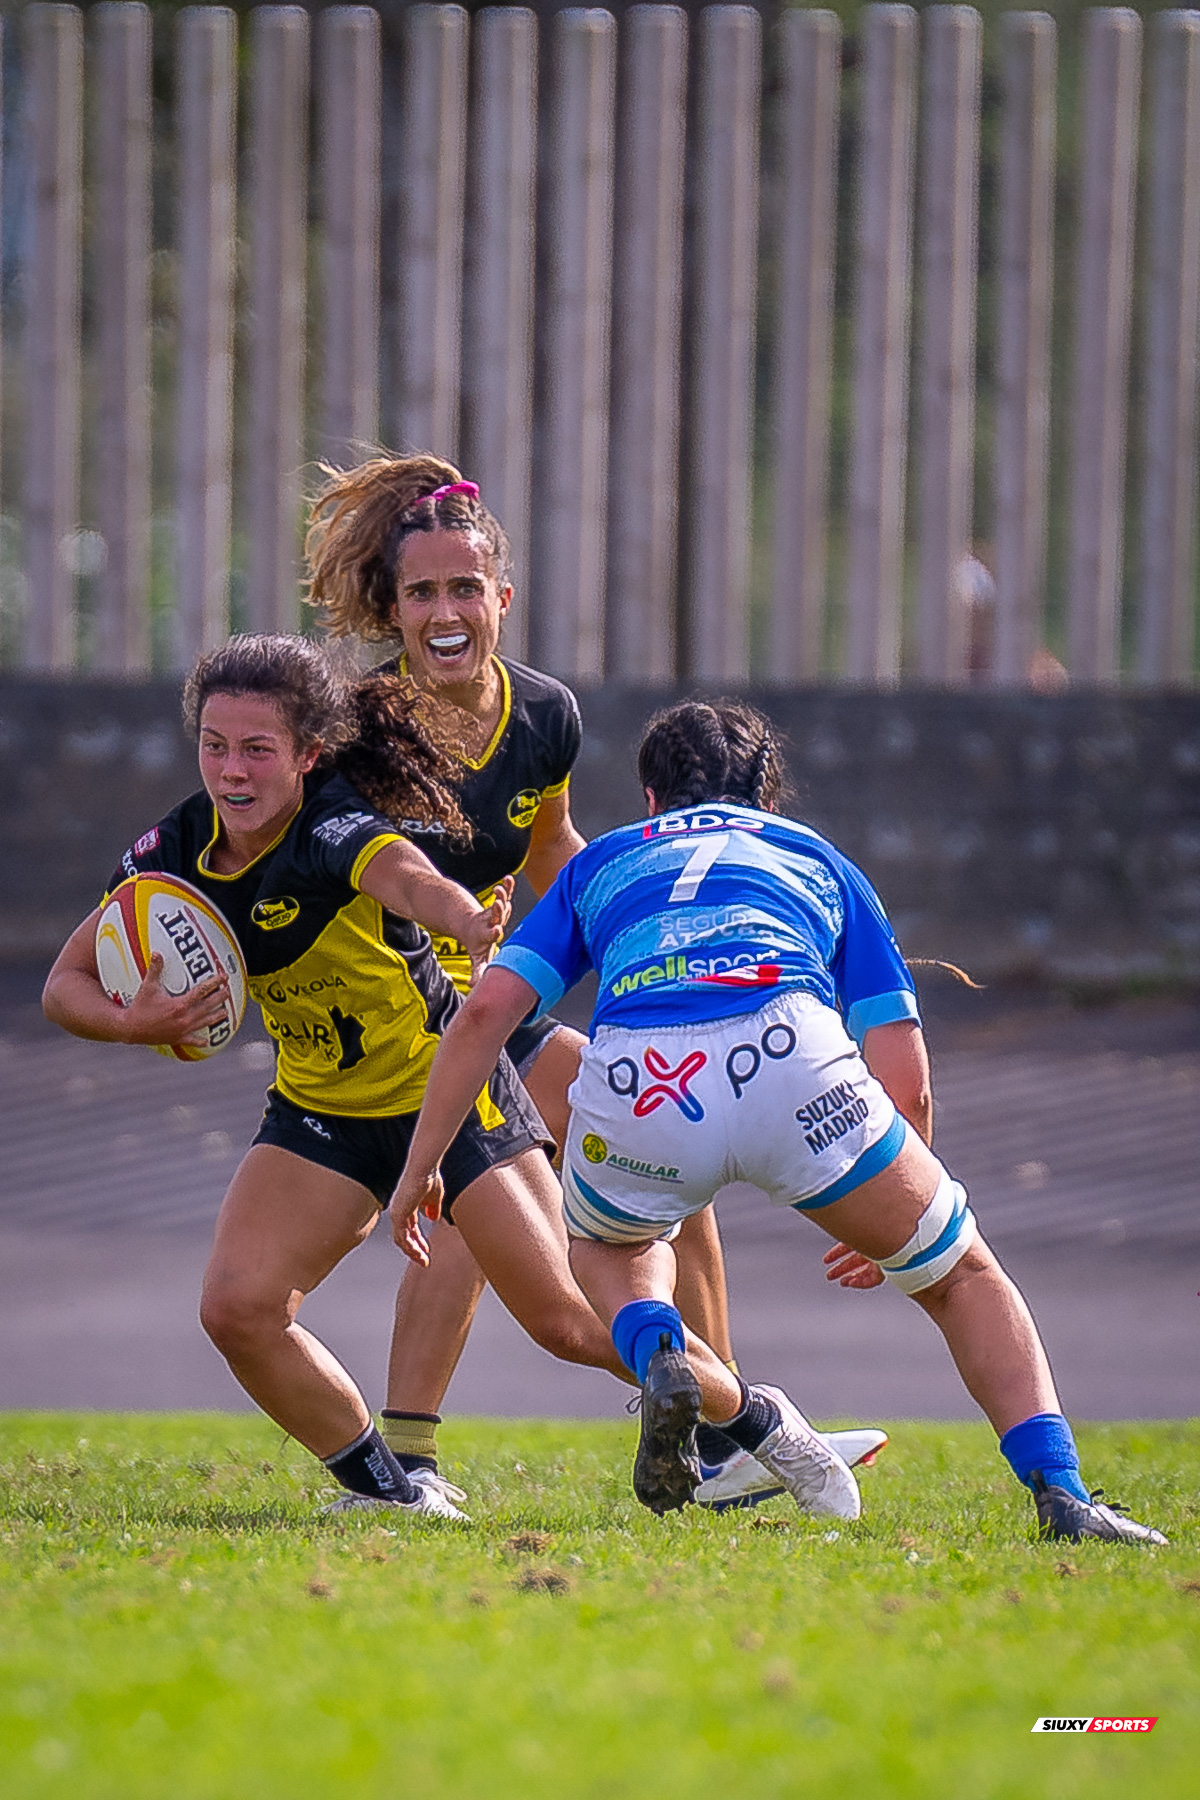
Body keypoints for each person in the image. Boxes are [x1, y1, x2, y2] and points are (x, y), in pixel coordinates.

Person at [391, 700, 1168, 1544]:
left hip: (642, 1075)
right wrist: (903, 1201)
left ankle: (659, 1352)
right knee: (963, 1277)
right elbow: (902, 1061)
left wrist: (422, 1166)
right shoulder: (814, 856)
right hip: (790, 1055)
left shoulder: (605, 862)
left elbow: (484, 1017)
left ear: (651, 799)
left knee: (612, 1249)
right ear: (767, 799)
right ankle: (1062, 1493)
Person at [305, 453, 886, 1507]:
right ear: (393, 611)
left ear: (501, 599)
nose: (446, 610)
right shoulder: (359, 734)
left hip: (478, 1002)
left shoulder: (544, 719)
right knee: (508, 1233)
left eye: (464, 588)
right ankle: (411, 1467)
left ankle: (714, 1440)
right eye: (423, 592)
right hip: (392, 1018)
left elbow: (556, 856)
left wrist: (652, 924)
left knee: (663, 1142)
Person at [42, 634, 644, 1519]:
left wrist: (470, 921)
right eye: (215, 745)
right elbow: (66, 986)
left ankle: (749, 1417)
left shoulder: (333, 826)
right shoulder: (173, 848)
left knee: (564, 1322)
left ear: (307, 755)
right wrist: (138, 1022)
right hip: (320, 1113)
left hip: (445, 1095)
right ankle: (389, 1494)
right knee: (237, 1309)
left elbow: (408, 879)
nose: (232, 771)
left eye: (257, 750)